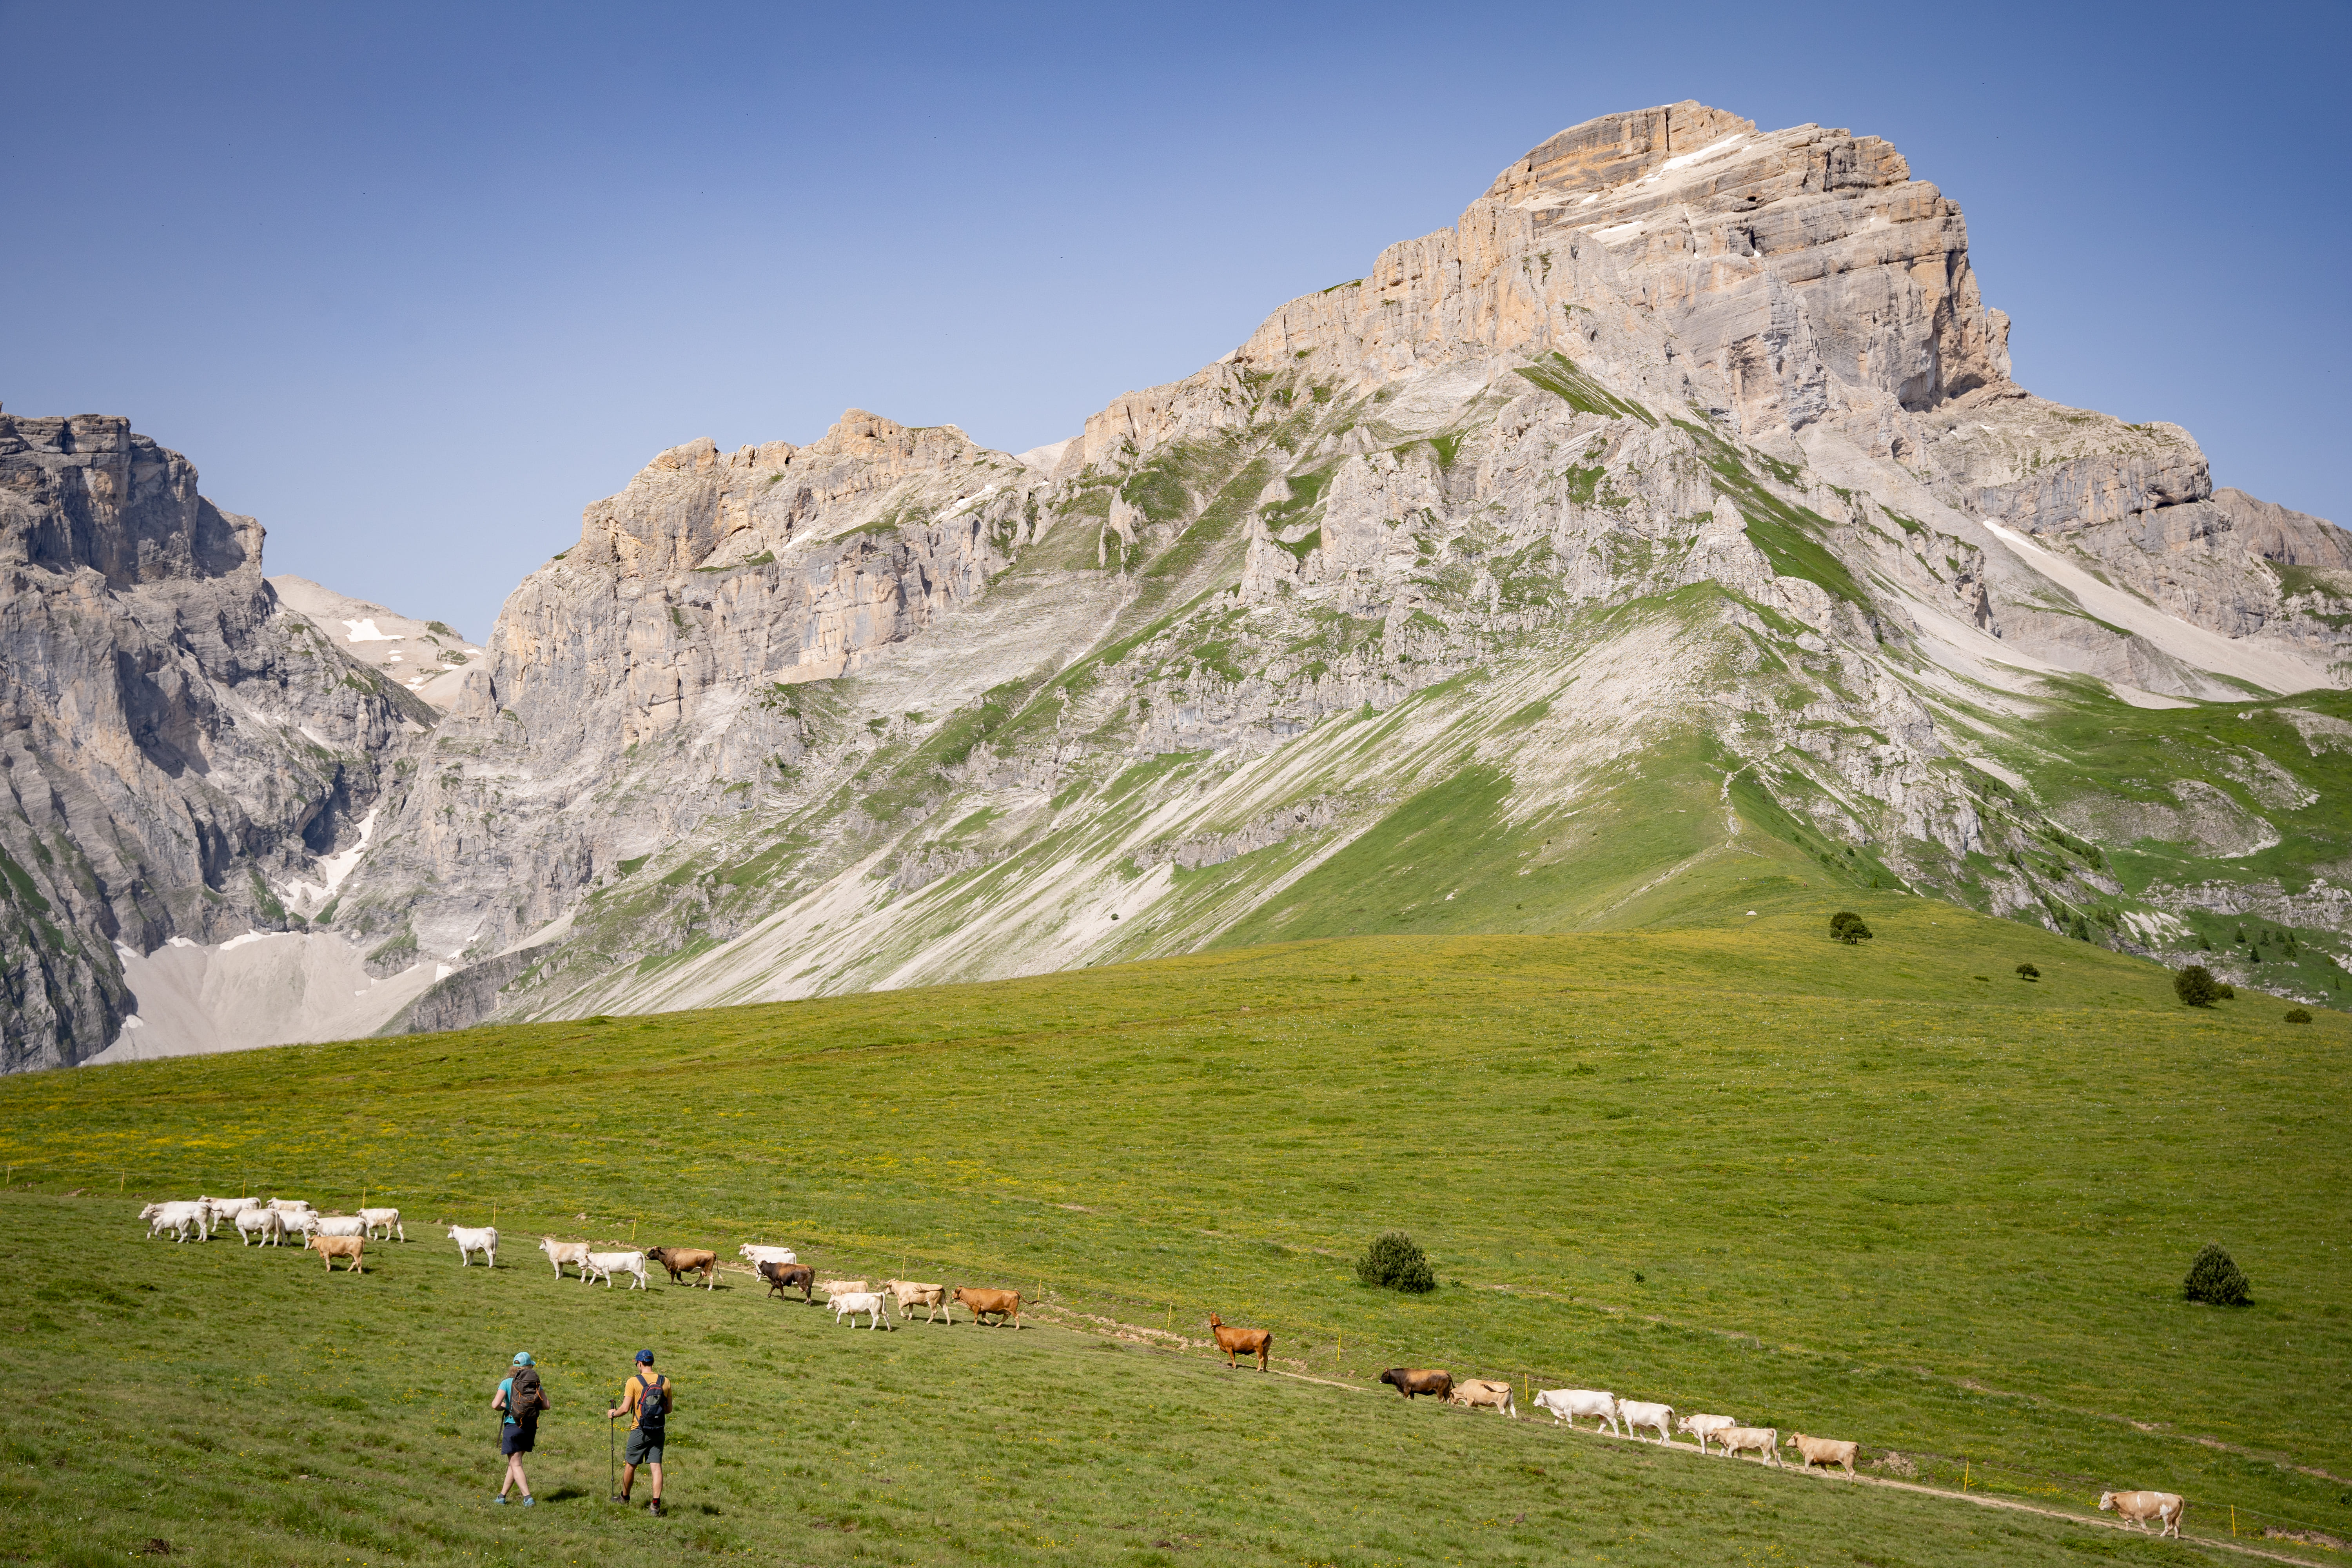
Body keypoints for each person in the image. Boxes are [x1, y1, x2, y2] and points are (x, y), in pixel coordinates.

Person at [607, 1348, 673, 1515]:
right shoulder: (665, 1382)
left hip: (639, 1430)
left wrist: (613, 1414)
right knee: (656, 1468)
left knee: (631, 1465)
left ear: (640, 1363)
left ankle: (624, 1498)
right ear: (652, 1362)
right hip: (658, 1430)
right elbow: (668, 1410)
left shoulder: (633, 1382)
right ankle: (655, 1505)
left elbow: (624, 1409)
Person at [491, 1351, 549, 1505]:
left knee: (516, 1464)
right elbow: (547, 1405)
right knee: (514, 1463)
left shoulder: (507, 1383)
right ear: (530, 1367)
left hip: (513, 1426)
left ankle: (528, 1498)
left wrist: (507, 1407)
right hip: (530, 1427)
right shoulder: (535, 1384)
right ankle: (502, 1497)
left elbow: (495, 1405)